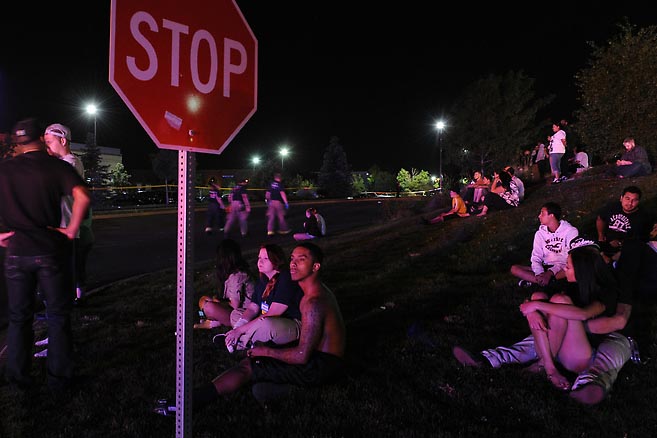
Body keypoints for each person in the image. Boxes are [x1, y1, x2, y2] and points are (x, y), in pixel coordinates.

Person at [154, 242, 346, 415]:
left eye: (301, 259)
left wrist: (266, 350)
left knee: (249, 367)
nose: (293, 263)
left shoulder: (313, 302)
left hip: (320, 367)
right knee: (259, 379)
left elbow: (302, 355)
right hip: (321, 360)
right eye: (292, 258)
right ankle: (276, 387)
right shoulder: (312, 292)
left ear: (316, 266)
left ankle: (188, 403)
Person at [452, 238, 636, 404]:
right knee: (545, 301)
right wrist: (533, 309)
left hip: (583, 352)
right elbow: (538, 296)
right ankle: (491, 360)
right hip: (562, 344)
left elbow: (590, 316)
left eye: (568, 266)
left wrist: (537, 308)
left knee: (558, 304)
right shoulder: (571, 284)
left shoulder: (608, 288)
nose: (564, 268)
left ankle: (569, 377)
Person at [0, 118, 91, 393]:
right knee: (58, 315)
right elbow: (83, 197)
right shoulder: (53, 165)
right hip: (50, 249)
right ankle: (59, 379)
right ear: (40, 138)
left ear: (16, 143)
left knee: (19, 317)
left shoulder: (5, 169)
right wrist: (71, 229)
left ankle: (17, 378)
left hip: (16, 252)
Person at [43, 123, 93, 303]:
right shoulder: (61, 164)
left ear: (62, 140)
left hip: (66, 227)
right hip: (60, 227)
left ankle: (69, 303)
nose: (46, 147)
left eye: (49, 142)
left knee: (66, 271)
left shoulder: (71, 163)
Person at [221, 243, 303, 352]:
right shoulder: (263, 279)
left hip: (289, 323)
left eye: (265, 258)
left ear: (276, 260)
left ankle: (239, 342)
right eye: (259, 257)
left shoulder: (285, 278)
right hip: (265, 318)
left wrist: (241, 330)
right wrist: (239, 326)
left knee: (265, 324)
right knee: (236, 314)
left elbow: (274, 313)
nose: (260, 261)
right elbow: (252, 308)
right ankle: (243, 338)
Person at [510, 202, 579, 289]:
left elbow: (570, 258)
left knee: (575, 269)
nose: (539, 216)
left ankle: (537, 281)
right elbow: (536, 256)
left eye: (542, 213)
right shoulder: (540, 234)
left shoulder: (570, 231)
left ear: (551, 215)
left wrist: (550, 272)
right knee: (515, 269)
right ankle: (544, 281)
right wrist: (540, 273)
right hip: (545, 266)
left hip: (562, 268)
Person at [194, 239, 255, 330]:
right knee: (203, 300)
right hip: (235, 311)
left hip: (242, 314)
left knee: (209, 306)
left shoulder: (237, 276)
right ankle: (206, 320)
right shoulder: (232, 274)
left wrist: (217, 302)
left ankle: (211, 323)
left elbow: (235, 305)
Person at [596, 186, 654, 262]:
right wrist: (601, 236)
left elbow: (640, 241)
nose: (630, 203)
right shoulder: (612, 207)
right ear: (621, 198)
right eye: (627, 199)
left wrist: (620, 243)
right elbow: (600, 219)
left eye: (634, 200)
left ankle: (611, 261)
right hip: (605, 241)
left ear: (638, 202)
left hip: (624, 247)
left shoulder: (642, 218)